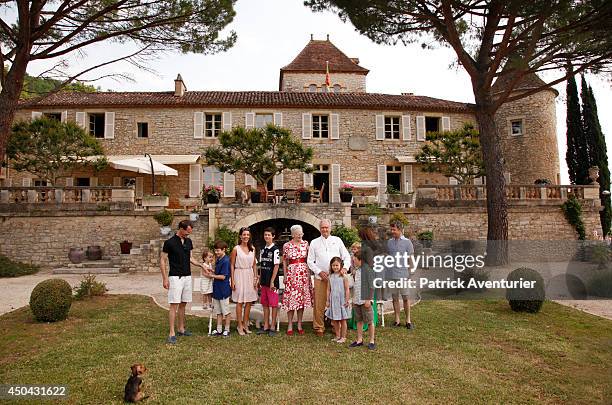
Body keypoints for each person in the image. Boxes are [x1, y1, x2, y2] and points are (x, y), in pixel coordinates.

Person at [160, 220, 204, 344]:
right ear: (181, 228)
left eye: (189, 233)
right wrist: (164, 278)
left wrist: (202, 265)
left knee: (183, 304)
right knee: (174, 305)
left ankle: (181, 329)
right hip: (175, 278)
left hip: (187, 277)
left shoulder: (189, 241)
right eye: (186, 232)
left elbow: (191, 258)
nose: (187, 235)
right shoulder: (169, 243)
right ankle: (172, 332)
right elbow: (162, 260)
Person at [307, 219, 351, 337]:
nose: (325, 229)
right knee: (319, 303)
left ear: (330, 228)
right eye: (322, 227)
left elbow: (346, 256)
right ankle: (319, 326)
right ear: (320, 228)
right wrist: (319, 271)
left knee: (336, 301)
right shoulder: (314, 242)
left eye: (326, 227)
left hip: (336, 278)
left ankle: (334, 324)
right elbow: (310, 261)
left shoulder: (337, 240)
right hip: (320, 277)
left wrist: (345, 268)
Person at [281, 224, 312, 335]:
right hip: (292, 274)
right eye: (298, 234)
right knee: (291, 299)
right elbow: (284, 261)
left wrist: (309, 274)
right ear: (293, 235)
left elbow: (309, 259)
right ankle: (290, 323)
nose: (300, 236)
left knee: (301, 300)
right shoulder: (286, 245)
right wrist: (285, 275)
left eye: (301, 234)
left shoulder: (306, 244)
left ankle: (299, 324)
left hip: (303, 274)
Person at [386, 221, 415, 329]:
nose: (392, 231)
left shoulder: (407, 243)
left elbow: (411, 259)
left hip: (404, 275)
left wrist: (411, 272)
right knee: (395, 298)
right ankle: (397, 320)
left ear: (400, 230)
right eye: (391, 229)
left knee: (406, 298)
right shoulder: (389, 242)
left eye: (394, 230)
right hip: (392, 274)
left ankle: (408, 320)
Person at [230, 227, 258, 335]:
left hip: (249, 275)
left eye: (247, 234)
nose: (246, 236)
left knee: (249, 301)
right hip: (239, 274)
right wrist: (232, 280)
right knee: (240, 301)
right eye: (244, 234)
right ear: (240, 236)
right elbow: (232, 265)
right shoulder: (236, 249)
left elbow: (254, 265)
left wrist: (256, 278)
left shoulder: (253, 249)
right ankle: (239, 325)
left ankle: (246, 324)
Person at [349, 251, 376, 350]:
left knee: (369, 321)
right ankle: (359, 340)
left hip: (365, 300)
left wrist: (368, 299)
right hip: (357, 300)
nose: (353, 261)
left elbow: (372, 286)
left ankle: (372, 341)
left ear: (360, 260)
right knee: (359, 321)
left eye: (354, 260)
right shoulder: (356, 270)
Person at [257, 227, 280, 337]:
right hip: (264, 281)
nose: (267, 237)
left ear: (273, 236)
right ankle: (265, 325)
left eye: (269, 235)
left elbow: (276, 266)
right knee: (265, 304)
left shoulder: (275, 249)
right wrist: (260, 279)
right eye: (265, 235)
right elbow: (261, 265)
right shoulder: (262, 249)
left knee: (273, 304)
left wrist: (272, 281)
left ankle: (273, 326)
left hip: (272, 282)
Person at [208, 240, 231, 337]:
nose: (216, 253)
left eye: (218, 251)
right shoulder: (218, 259)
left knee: (226, 311)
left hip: (223, 290)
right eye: (215, 251)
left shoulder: (226, 261)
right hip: (217, 290)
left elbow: (223, 276)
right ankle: (219, 329)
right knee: (218, 311)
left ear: (224, 250)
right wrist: (212, 271)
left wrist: (212, 276)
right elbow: (218, 273)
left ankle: (227, 329)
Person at [325, 257, 351, 343]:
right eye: (333, 265)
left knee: (343, 320)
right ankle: (337, 335)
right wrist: (328, 300)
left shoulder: (344, 277)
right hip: (334, 301)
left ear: (341, 266)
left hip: (342, 301)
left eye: (337, 265)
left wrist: (347, 300)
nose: (335, 267)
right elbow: (328, 289)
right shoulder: (330, 277)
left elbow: (347, 289)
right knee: (335, 320)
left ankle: (343, 337)